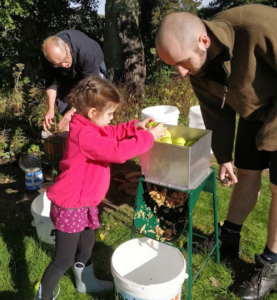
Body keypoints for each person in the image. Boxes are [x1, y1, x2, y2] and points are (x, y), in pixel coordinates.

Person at [155, 4, 277, 300]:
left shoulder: (257, 26)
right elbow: (215, 110)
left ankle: (272, 263)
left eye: (182, 63)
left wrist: (271, 137)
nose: (180, 73)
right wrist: (223, 157)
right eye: (173, 66)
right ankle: (229, 237)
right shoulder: (199, 64)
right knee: (247, 172)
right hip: (256, 110)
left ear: (204, 41)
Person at [35, 76, 167, 300]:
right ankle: (43, 295)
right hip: (70, 206)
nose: (112, 119)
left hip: (85, 202)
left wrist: (134, 127)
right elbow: (116, 152)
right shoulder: (84, 135)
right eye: (110, 114)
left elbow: (111, 133)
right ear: (93, 113)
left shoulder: (89, 126)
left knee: (87, 245)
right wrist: (147, 138)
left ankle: (85, 283)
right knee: (63, 259)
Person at [41, 30, 107, 132]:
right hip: (68, 75)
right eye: (58, 64)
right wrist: (50, 110)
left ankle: (94, 135)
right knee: (65, 104)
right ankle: (73, 135)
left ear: (67, 47)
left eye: (65, 59)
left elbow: (90, 87)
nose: (64, 65)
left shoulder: (85, 51)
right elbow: (51, 83)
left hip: (91, 69)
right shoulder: (48, 58)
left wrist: (73, 110)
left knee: (95, 103)